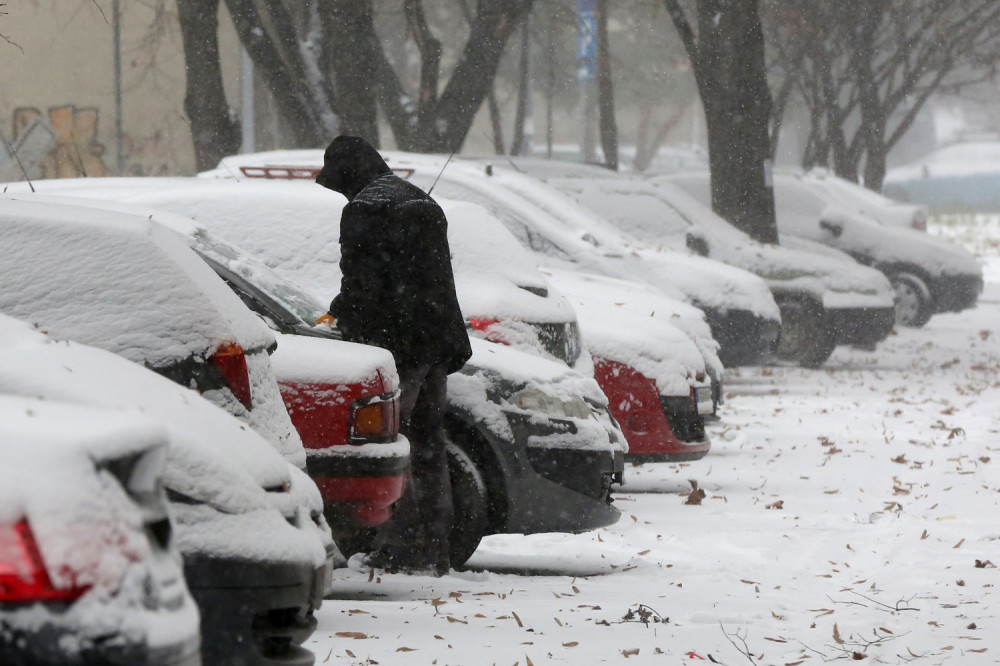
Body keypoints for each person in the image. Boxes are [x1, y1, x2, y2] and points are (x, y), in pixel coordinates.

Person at [316, 135, 472, 575]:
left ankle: (403, 547)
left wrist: (339, 316)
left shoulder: (365, 208)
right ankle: (435, 545)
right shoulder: (419, 199)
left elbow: (361, 284)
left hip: (398, 345)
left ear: (346, 174)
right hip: (436, 341)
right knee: (428, 444)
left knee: (391, 445)